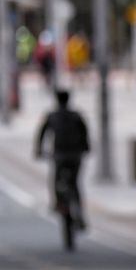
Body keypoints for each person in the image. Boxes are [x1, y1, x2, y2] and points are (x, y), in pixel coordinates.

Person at [34, 90, 90, 229]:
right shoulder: (77, 115)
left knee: (55, 180)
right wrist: (86, 148)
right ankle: (79, 213)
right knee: (75, 183)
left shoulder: (52, 116)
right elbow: (85, 133)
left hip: (59, 156)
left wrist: (39, 150)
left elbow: (42, 134)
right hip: (75, 155)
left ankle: (58, 204)